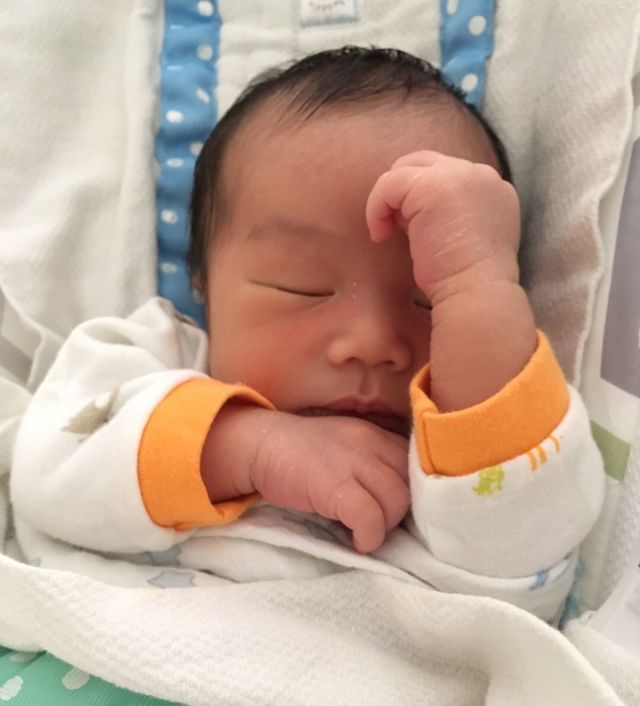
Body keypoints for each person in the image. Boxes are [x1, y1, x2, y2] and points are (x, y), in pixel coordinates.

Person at [10, 46, 604, 621]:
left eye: (430, 303)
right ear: (203, 282)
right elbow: (47, 469)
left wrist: (478, 288)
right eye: (304, 287)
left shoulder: (461, 469)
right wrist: (249, 446)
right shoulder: (156, 361)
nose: (372, 342)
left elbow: (526, 578)